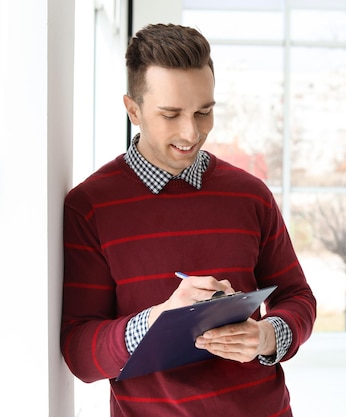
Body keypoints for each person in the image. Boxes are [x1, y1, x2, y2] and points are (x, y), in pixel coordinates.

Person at [61, 23, 316, 417]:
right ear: (133, 110)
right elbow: (80, 351)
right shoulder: (90, 207)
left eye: (204, 111)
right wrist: (156, 320)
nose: (191, 132)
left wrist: (266, 336)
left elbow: (298, 297)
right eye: (171, 114)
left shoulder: (250, 195)